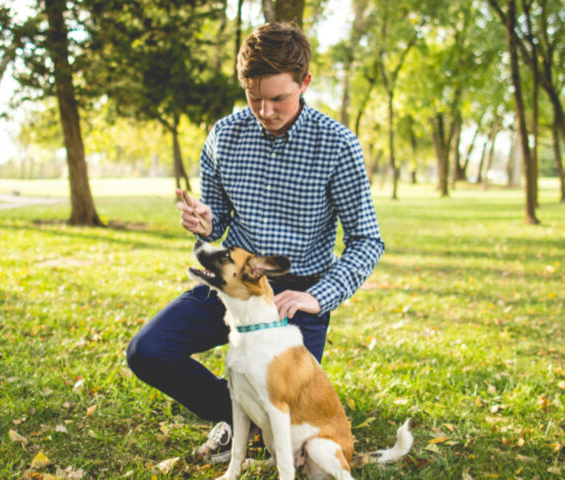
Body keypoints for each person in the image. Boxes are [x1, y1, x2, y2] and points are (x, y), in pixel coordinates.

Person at [126, 21, 384, 464]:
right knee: (147, 351)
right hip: (233, 285)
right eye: (254, 97)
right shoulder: (224, 137)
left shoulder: (338, 145)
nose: (264, 110)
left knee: (282, 434)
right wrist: (205, 223)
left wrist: (316, 297)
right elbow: (219, 222)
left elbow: (366, 240)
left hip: (296, 296)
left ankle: (257, 418)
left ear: (304, 83)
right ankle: (232, 412)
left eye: (278, 98)